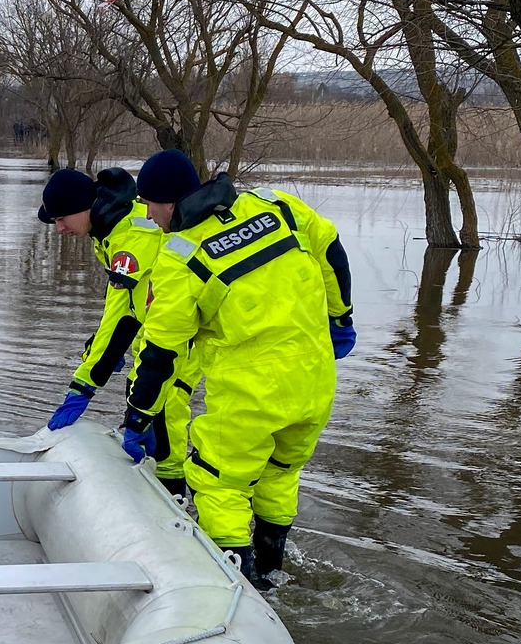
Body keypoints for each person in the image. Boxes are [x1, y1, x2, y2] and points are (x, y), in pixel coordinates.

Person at [119, 149, 355, 587]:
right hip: (315, 380)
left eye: (149, 205)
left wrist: (138, 416)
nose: (148, 216)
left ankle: (237, 595)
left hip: (253, 393)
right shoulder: (274, 205)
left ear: (169, 203)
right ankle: (271, 575)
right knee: (279, 475)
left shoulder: (181, 257)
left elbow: (161, 351)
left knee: (219, 485)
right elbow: (330, 248)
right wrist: (341, 318)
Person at [36, 165, 192, 495]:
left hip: (177, 338)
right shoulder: (113, 226)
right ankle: (159, 486)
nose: (59, 229)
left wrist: (84, 386)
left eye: (62, 219)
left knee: (162, 417)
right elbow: (128, 304)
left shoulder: (128, 239)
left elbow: (121, 317)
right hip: (158, 330)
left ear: (85, 207)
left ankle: (174, 496)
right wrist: (104, 346)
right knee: (143, 401)